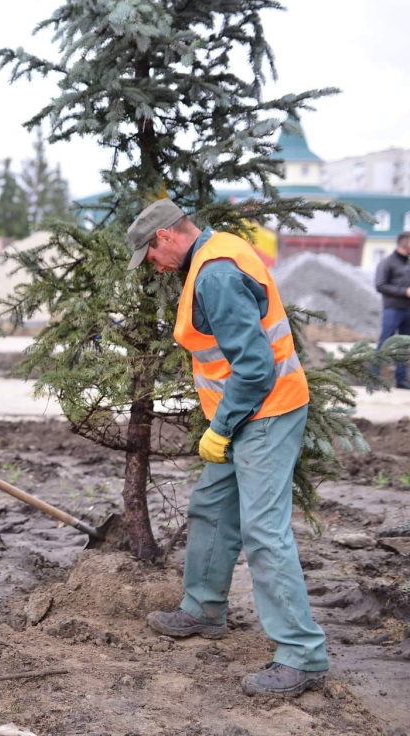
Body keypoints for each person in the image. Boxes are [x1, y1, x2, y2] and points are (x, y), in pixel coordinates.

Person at [126, 197, 328, 698]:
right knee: (212, 506)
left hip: (265, 411)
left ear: (166, 236)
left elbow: (256, 366)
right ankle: (204, 609)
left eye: (150, 254)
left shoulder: (215, 274)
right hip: (243, 413)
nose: (153, 265)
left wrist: (221, 428)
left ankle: (302, 655)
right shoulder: (216, 252)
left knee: (263, 530)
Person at [374, 232, 410, 389]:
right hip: (392, 309)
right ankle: (373, 378)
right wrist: (404, 292)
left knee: (404, 346)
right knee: (385, 342)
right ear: (405, 244)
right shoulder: (387, 262)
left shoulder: (408, 262)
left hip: (408, 310)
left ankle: (401, 379)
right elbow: (380, 285)